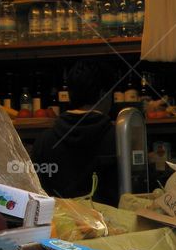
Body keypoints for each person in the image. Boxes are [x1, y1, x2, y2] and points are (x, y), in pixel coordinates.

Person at [31, 61, 118, 205]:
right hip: (115, 226)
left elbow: (36, 197)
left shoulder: (43, 141)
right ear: (105, 94)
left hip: (58, 226)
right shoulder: (121, 138)